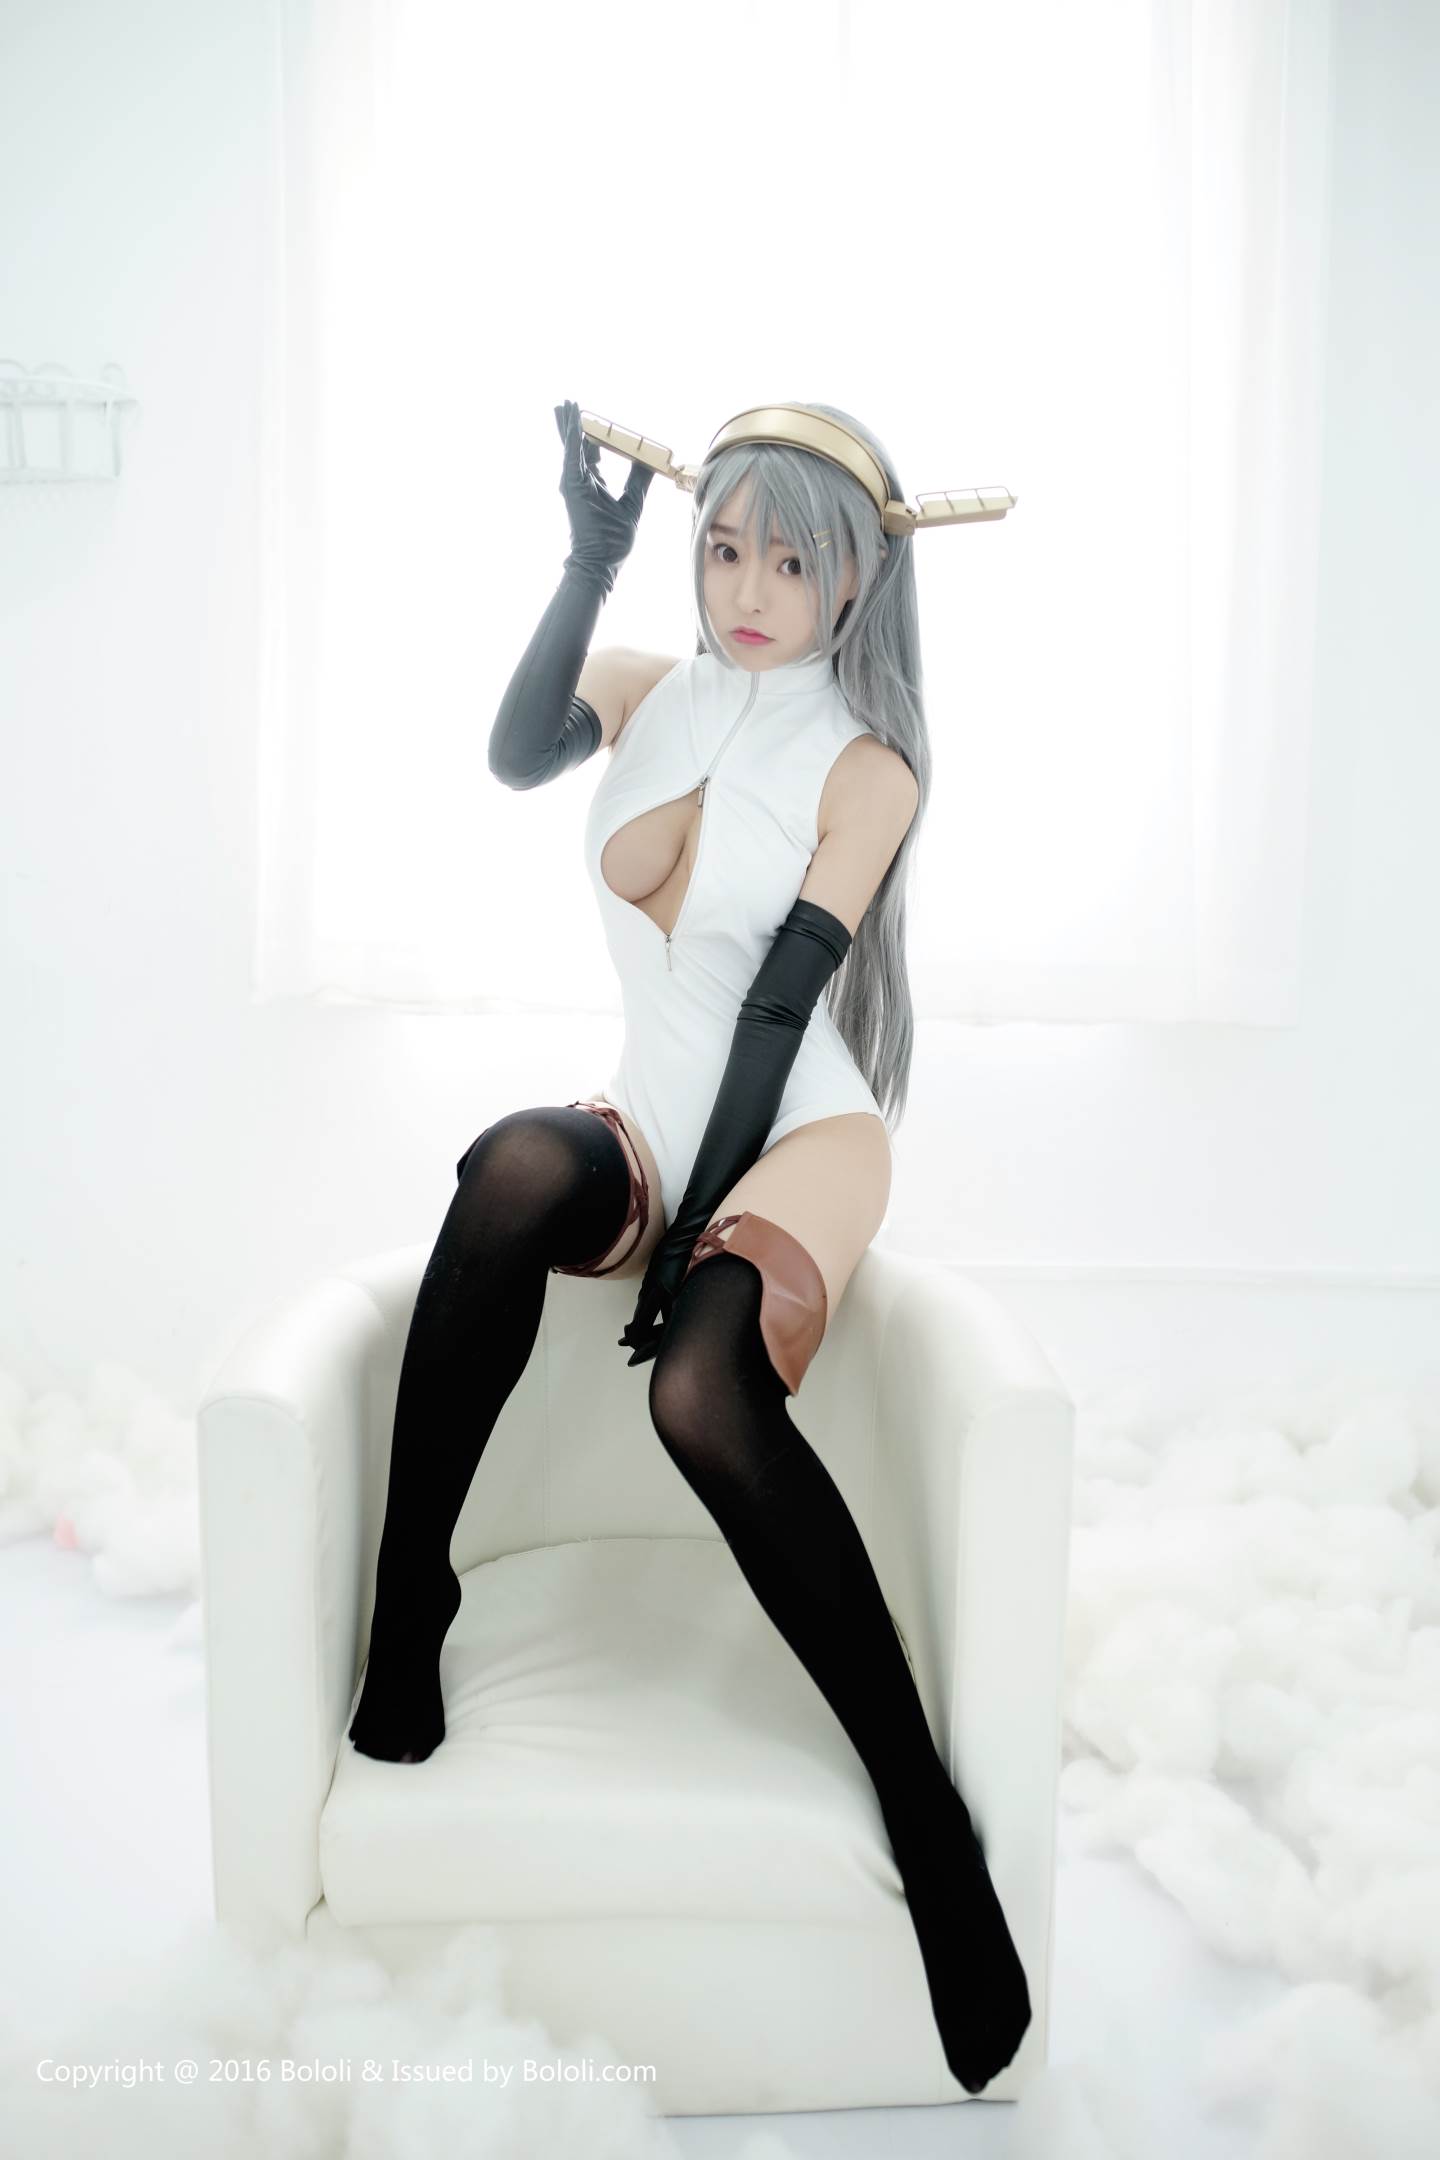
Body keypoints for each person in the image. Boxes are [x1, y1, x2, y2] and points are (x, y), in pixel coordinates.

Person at [347, 397, 1031, 2094]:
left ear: (856, 580)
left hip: (800, 1129)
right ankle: (408, 1597)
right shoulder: (652, 692)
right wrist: (586, 567)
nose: (748, 591)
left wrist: (688, 1249)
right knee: (514, 1167)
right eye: (724, 549)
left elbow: (780, 1012)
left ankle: (923, 1816)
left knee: (701, 1392)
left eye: (789, 562)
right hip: (655, 1108)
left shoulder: (868, 770)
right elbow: (517, 754)